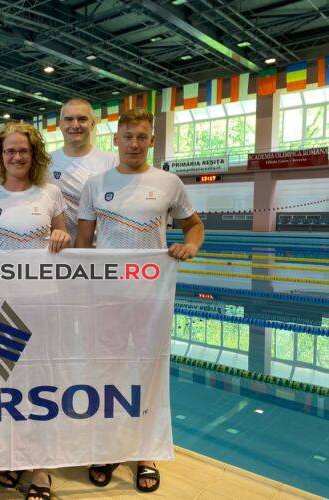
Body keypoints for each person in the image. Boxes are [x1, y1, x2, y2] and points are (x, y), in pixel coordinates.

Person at [76, 108, 204, 493]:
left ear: (151, 140)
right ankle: (108, 447)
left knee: (150, 370)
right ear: (116, 140)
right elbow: (83, 243)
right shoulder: (95, 185)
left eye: (141, 137)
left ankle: (146, 451)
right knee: (107, 371)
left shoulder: (168, 183)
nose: (134, 144)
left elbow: (194, 226)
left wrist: (191, 246)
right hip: (107, 296)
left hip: (151, 296)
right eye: (127, 137)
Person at [0, 122, 70, 500]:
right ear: (0, 155)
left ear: (34, 154)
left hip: (42, 303)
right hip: (2, 306)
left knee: (41, 383)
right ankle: (16, 454)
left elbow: (63, 240)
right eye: (10, 151)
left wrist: (62, 235)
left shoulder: (50, 194)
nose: (17, 156)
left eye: (23, 150)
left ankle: (41, 468)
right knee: (6, 382)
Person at [48, 98, 119, 243]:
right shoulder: (46, 163)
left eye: (82, 119)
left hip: (100, 247)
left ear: (92, 124)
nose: (75, 125)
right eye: (69, 119)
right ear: (60, 124)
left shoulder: (112, 161)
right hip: (60, 249)